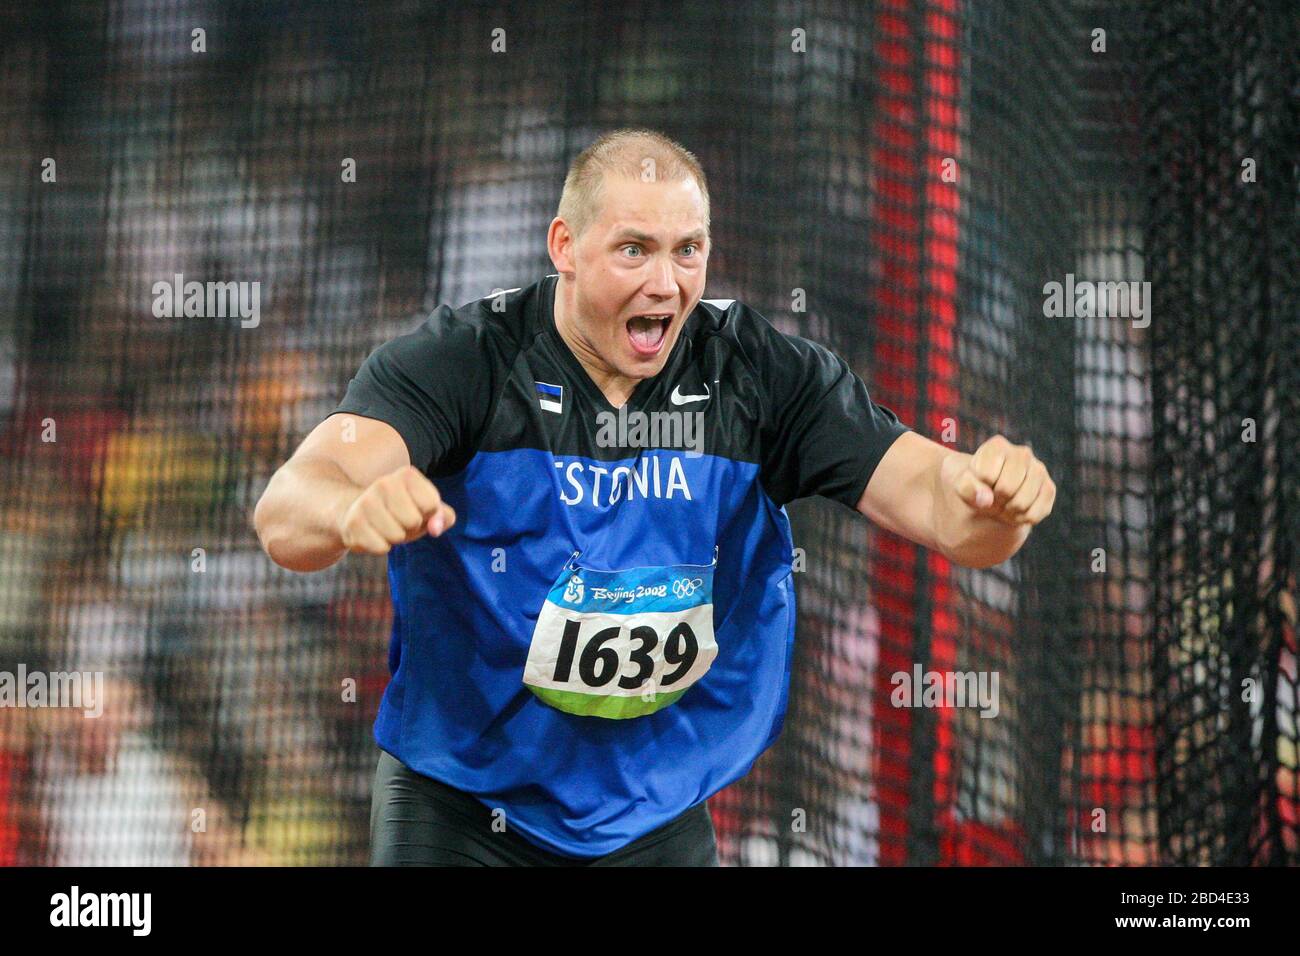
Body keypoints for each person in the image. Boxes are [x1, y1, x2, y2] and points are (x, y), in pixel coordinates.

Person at [253, 128, 1056, 866]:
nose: (666, 284)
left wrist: (994, 504)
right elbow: (289, 510)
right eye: (633, 250)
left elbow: (947, 513)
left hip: (652, 815)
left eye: (688, 251)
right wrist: (349, 512)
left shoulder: (757, 376)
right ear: (563, 246)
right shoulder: (465, 360)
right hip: (462, 805)